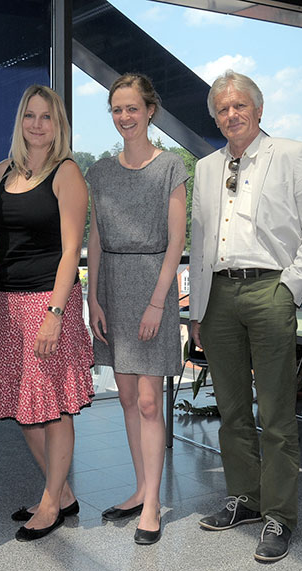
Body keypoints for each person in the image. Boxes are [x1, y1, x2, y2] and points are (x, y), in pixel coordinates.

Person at [189, 70, 302, 562]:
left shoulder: (291, 154)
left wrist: (289, 288)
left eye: (239, 106)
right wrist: (200, 310)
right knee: (231, 411)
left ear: (258, 109)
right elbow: (200, 242)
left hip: (271, 288)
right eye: (222, 109)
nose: (231, 115)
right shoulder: (205, 168)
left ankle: (280, 515)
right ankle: (245, 499)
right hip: (220, 295)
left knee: (275, 413)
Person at [0, 84, 92, 543]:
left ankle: (50, 503)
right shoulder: (3, 170)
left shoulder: (67, 173)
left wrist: (55, 312)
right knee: (22, 408)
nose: (38, 124)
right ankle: (60, 491)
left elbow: (72, 251)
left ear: (58, 124)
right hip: (5, 304)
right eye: (30, 115)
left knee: (54, 407)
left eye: (47, 117)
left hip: (47, 300)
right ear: (20, 121)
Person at [86, 73, 188, 545]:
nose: (124, 117)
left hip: (153, 287)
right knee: (127, 398)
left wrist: (156, 302)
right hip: (111, 286)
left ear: (150, 111)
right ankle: (141, 488)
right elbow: (97, 237)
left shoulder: (170, 166)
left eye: (132, 108)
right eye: (116, 109)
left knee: (149, 401)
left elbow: (176, 242)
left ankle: (152, 505)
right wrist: (92, 298)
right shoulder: (101, 172)